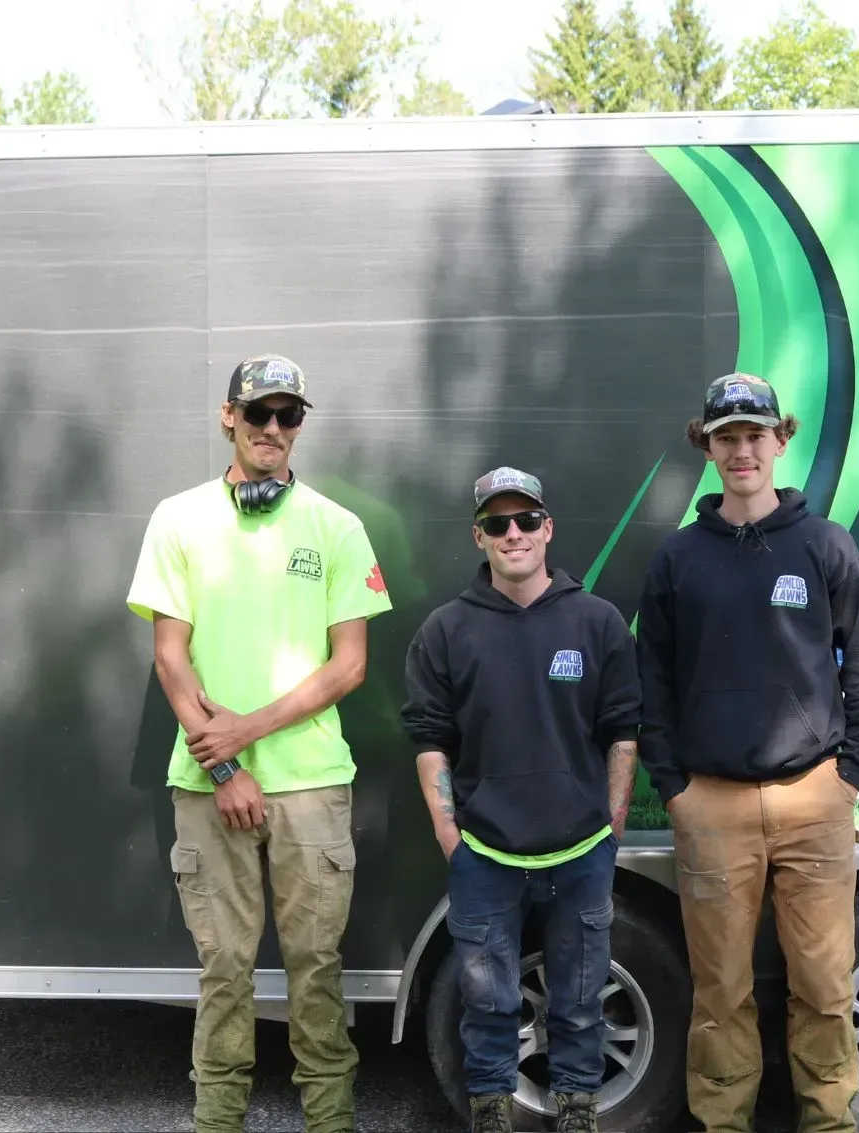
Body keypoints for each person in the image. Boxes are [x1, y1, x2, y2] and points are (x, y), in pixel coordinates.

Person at [126, 353, 394, 1133]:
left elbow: (350, 665)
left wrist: (246, 728)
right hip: (212, 786)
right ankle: (218, 1121)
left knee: (317, 970)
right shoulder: (178, 519)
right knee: (225, 972)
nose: (273, 429)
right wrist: (228, 763)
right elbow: (169, 656)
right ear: (229, 417)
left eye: (289, 416)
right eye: (259, 414)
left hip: (311, 784)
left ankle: (331, 1120)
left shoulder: (337, 527)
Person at [635, 373, 859, 1133]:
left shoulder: (823, 544)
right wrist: (674, 786)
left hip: (815, 796)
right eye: (726, 438)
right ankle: (723, 1121)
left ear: (782, 439)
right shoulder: (677, 559)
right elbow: (652, 682)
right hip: (710, 802)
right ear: (706, 447)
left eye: (755, 435)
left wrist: (848, 776)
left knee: (822, 983)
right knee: (721, 989)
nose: (742, 451)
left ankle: (829, 1119)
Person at [400, 466, 642, 1133]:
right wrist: (453, 837)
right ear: (478, 536)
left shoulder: (596, 622)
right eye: (498, 522)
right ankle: (490, 1108)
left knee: (582, 997)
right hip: (484, 853)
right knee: (487, 999)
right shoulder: (446, 631)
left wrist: (610, 827)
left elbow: (623, 731)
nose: (514, 533)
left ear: (548, 528)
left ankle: (576, 1106)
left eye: (526, 519)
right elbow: (429, 741)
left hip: (582, 850)